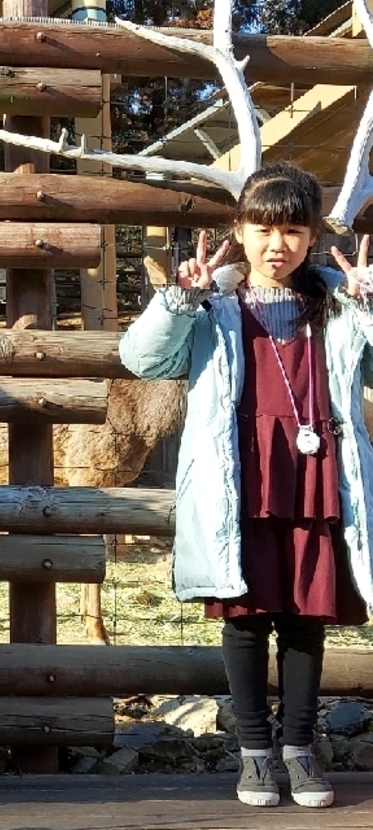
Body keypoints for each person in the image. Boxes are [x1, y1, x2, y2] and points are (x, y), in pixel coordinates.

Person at [119, 162, 373, 810]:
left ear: (312, 237)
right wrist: (177, 301)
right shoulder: (212, 304)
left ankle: (300, 749)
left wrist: (369, 306)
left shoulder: (338, 303)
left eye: (293, 230)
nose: (277, 244)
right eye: (263, 228)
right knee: (246, 617)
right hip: (241, 477)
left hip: (316, 473)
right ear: (238, 230)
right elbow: (142, 359)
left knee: (306, 619)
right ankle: (255, 752)